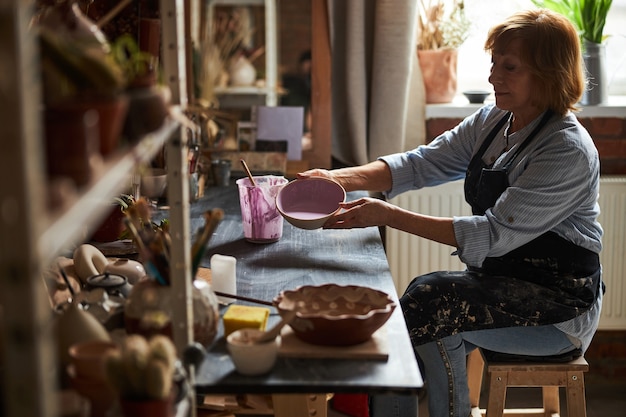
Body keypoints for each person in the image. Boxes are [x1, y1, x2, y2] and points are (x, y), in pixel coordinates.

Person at [298, 9, 604, 417]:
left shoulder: (566, 151)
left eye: (509, 67)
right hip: (500, 285)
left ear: (549, 74)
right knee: (425, 299)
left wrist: (388, 215)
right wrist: (333, 178)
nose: (494, 77)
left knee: (433, 306)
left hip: (558, 309)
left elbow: (491, 235)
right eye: (494, 63)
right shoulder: (496, 120)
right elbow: (420, 163)